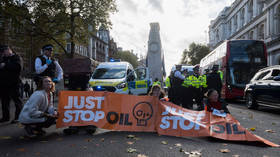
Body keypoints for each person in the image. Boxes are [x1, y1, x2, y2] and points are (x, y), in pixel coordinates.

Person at [0, 45, 23, 123]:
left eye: (3, 51)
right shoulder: (3, 58)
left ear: (9, 50)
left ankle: (18, 117)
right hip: (4, 83)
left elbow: (18, 67)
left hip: (14, 83)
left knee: (17, 100)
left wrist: (5, 65)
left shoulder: (16, 57)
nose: (3, 53)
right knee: (4, 101)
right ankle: (5, 117)